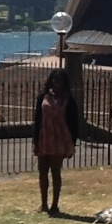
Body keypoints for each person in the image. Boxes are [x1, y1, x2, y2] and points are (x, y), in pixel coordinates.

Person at [32, 68, 79, 216]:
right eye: (54, 79)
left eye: (60, 80)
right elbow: (37, 119)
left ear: (65, 82)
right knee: (42, 172)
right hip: (44, 137)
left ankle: (54, 205)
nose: (57, 83)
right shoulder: (43, 97)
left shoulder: (69, 100)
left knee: (55, 172)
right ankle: (44, 204)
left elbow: (74, 123)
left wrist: (72, 144)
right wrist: (35, 140)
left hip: (60, 140)